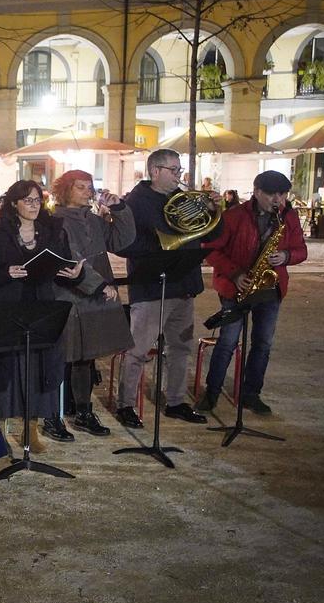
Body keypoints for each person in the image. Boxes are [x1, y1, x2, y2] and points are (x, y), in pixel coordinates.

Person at [0, 181, 84, 463]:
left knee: (39, 368)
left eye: (37, 199)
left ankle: (31, 430)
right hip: (8, 308)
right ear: (14, 204)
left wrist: (75, 274)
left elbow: (63, 265)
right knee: (7, 369)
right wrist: (6, 273)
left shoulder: (52, 231)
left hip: (41, 305)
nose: (34, 205)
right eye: (27, 200)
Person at [116, 148, 216, 429]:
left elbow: (211, 233)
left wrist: (212, 211)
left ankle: (175, 401)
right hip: (151, 287)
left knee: (180, 348)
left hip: (183, 284)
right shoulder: (135, 202)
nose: (179, 176)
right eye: (174, 170)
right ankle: (125, 404)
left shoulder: (181, 199)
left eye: (180, 170)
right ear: (155, 171)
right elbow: (125, 244)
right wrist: (163, 245)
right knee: (138, 350)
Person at [197, 170, 307, 415]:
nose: (278, 199)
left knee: (263, 344)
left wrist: (287, 256)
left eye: (283, 194)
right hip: (237, 286)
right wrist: (235, 274)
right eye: (271, 194)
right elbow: (211, 250)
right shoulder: (234, 216)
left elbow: (301, 249)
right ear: (257, 192)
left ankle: (251, 394)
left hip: (270, 288)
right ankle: (211, 392)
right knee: (227, 342)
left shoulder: (288, 217)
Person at [46, 170, 135, 440]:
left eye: (90, 187)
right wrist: (97, 285)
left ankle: (83, 411)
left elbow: (123, 240)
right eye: (81, 187)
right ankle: (53, 416)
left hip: (96, 298)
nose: (88, 192)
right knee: (61, 358)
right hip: (69, 297)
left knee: (86, 357)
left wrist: (119, 209)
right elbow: (69, 259)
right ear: (65, 191)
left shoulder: (95, 220)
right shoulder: (55, 222)